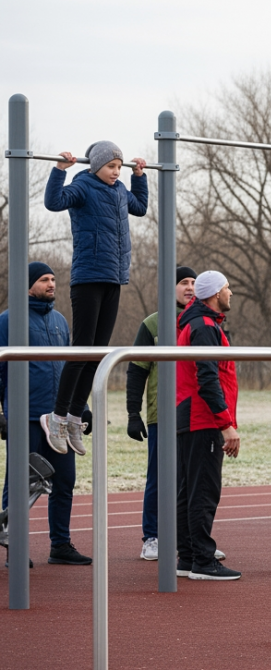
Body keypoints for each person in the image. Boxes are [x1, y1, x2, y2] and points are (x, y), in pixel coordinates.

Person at [40, 143, 149, 453]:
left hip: (114, 278)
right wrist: (60, 171)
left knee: (98, 353)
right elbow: (53, 201)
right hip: (88, 278)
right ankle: (57, 416)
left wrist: (139, 176)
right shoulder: (83, 186)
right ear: (96, 166)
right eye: (111, 167)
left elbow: (140, 207)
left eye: (119, 167)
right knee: (82, 350)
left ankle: (75, 416)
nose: (116, 172)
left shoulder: (119, 191)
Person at [2, 262, 90, 567]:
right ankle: (14, 548)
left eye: (53, 279)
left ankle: (60, 545)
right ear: (28, 285)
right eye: (44, 279)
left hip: (58, 419)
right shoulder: (8, 320)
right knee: (18, 483)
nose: (51, 284)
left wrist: (81, 408)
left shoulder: (60, 321)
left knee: (65, 480)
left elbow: (71, 367)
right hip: (24, 416)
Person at [125, 266, 197, 561]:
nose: (190, 287)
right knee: (159, 478)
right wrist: (133, 413)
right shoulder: (153, 325)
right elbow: (136, 371)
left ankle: (193, 540)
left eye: (194, 282)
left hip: (196, 417)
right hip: (162, 417)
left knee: (194, 481)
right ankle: (151, 537)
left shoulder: (204, 322)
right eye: (183, 282)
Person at [176, 272, 241, 581]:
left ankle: (188, 557)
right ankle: (202, 560)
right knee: (203, 490)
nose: (231, 293)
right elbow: (208, 379)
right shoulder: (203, 326)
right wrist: (227, 424)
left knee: (190, 489)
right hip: (202, 418)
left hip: (194, 416)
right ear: (216, 293)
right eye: (228, 288)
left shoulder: (199, 323)